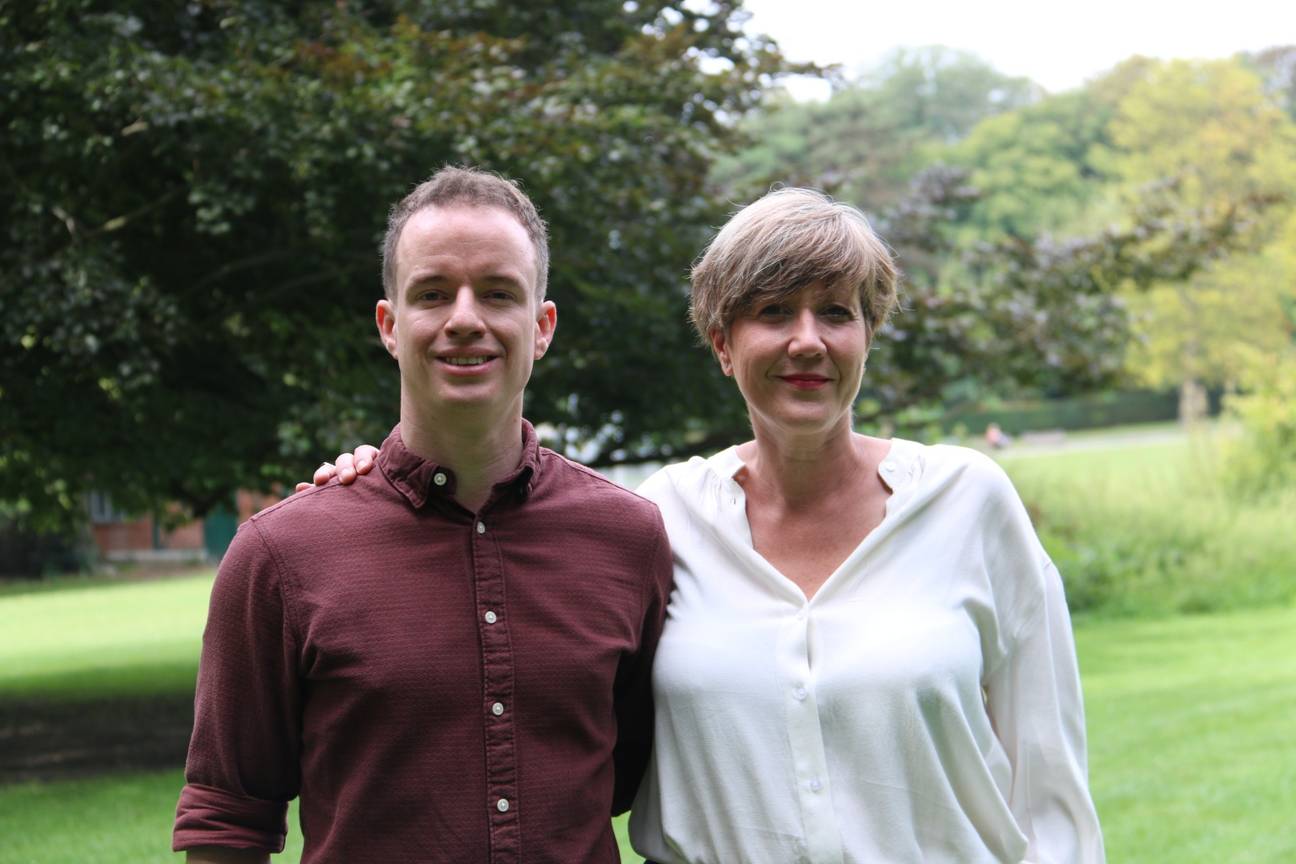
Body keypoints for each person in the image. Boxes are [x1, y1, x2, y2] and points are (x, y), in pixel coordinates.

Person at [315, 188, 1105, 862]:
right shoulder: (659, 519)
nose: (807, 340)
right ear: (723, 343)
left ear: (867, 335)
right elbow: (498, 519)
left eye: (836, 312)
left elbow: (1050, 783)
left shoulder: (969, 502)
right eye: (771, 313)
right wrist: (376, 482)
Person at [173, 166, 673, 864]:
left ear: (542, 327)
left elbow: (626, 773)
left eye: (498, 293)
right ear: (389, 324)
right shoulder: (280, 555)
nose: (464, 320)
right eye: (433, 293)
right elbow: (228, 819)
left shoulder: (629, 539)